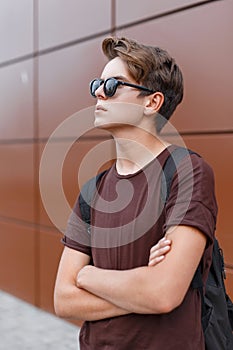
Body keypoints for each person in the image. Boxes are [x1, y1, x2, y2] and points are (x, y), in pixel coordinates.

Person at [54, 37, 218, 349]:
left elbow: (163, 293)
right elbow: (63, 299)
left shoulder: (189, 172)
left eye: (113, 85)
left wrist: (88, 277)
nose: (99, 93)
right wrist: (143, 283)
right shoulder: (94, 189)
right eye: (97, 84)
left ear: (151, 102)